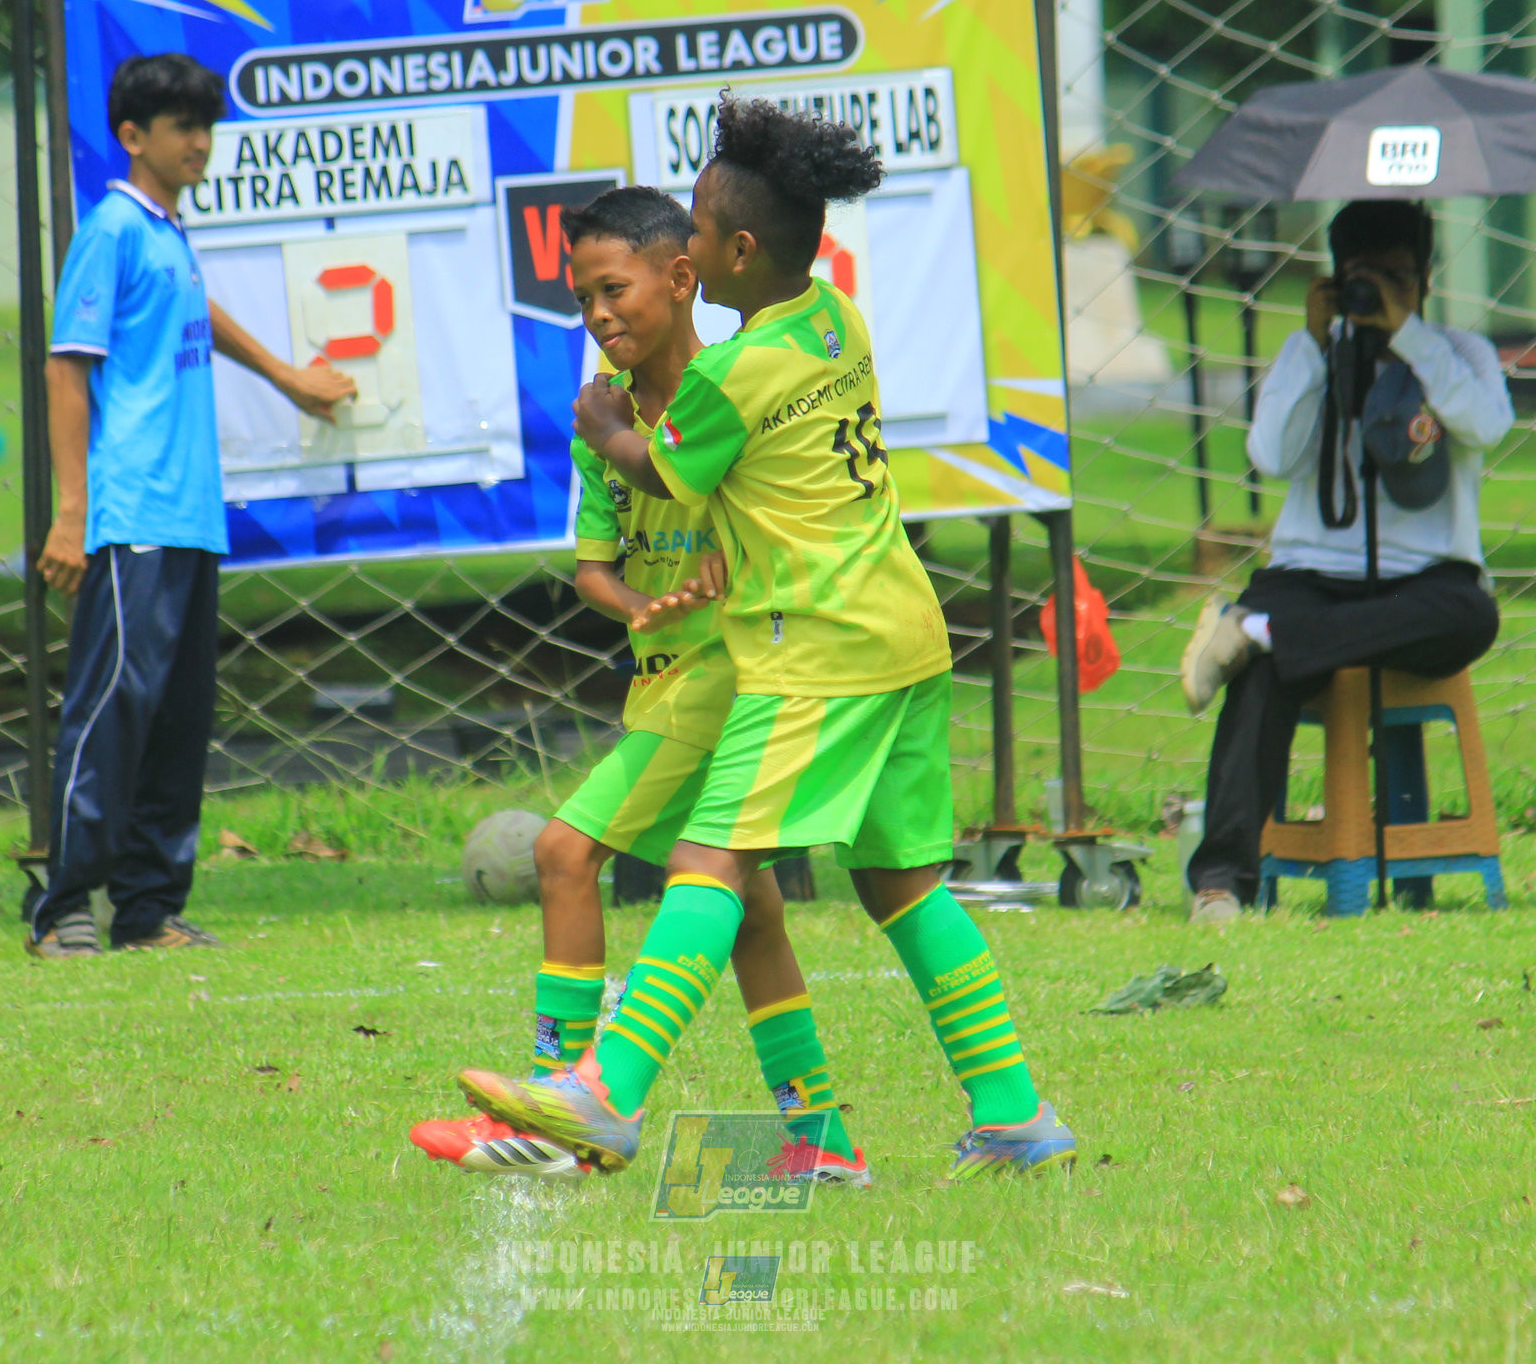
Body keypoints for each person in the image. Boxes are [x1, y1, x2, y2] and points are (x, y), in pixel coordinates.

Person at [454, 96, 1076, 1179]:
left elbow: (660, 468)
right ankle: (1013, 1112)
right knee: (904, 887)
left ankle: (603, 1093)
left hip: (818, 646)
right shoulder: (835, 319)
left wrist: (605, 425)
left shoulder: (730, 375)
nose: (686, 247)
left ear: (736, 252)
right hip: (905, 634)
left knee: (709, 859)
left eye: (693, 231)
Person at [408, 186, 867, 1184]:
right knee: (749, 911)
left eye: (614, 289)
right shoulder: (599, 414)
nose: (600, 313)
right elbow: (592, 566)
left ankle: (552, 1104)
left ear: (681, 277)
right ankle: (820, 1133)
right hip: (659, 684)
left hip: (730, 675)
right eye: (583, 298)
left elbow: (783, 528)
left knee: (565, 849)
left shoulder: (729, 387)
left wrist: (722, 574)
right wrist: (634, 603)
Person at [25, 53, 356, 958]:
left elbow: (197, 316)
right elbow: (66, 366)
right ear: (133, 138)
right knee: (110, 709)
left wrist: (288, 378)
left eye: (205, 126)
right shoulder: (114, 229)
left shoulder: (167, 234)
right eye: (181, 127)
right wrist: (70, 512)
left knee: (176, 718)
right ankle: (62, 909)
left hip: (189, 513)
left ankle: (146, 908)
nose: (199, 142)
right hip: (130, 511)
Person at [1176, 199, 1514, 924]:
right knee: (1262, 678)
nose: (1380, 293)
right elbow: (1269, 456)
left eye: (1396, 277)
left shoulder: (1460, 352)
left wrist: (1409, 337)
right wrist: (1312, 345)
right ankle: (1219, 884)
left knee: (1471, 615)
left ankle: (1250, 630)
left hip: (1426, 581)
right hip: (1311, 575)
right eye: (1365, 277)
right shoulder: (1312, 353)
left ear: (1425, 278)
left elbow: (1486, 426)